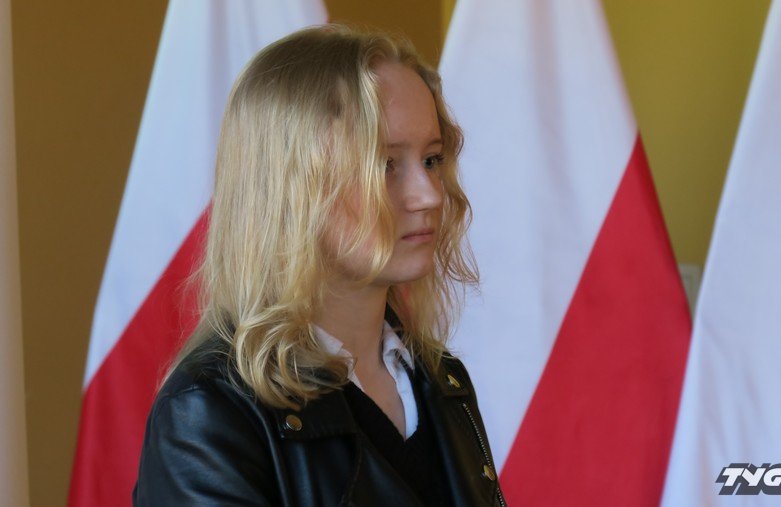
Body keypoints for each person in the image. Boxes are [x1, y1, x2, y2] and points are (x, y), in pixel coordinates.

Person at [132, 24, 506, 507]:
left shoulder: (443, 382)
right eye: (385, 164)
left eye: (432, 160)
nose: (429, 195)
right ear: (293, 186)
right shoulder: (209, 413)